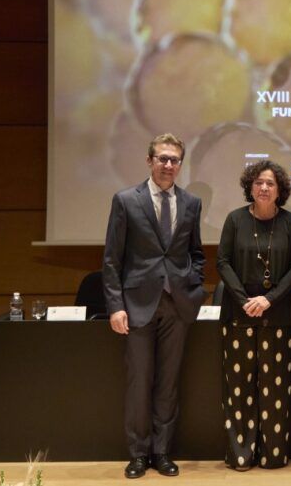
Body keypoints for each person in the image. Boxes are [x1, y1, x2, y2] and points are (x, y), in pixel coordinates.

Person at [102, 133, 206, 479]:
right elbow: (112, 260)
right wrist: (115, 305)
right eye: (162, 158)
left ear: (180, 164)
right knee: (139, 382)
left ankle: (162, 452)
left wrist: (193, 287)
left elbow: (196, 254)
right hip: (136, 306)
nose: (168, 165)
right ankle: (138, 454)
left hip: (177, 306)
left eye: (174, 159)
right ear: (149, 161)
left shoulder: (191, 203)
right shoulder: (126, 200)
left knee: (168, 383)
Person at [215, 160, 291, 470]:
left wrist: (267, 300)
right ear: (250, 188)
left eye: (270, 183)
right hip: (238, 314)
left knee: (275, 387)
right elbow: (223, 261)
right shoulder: (235, 219)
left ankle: (273, 455)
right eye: (258, 183)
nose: (264, 188)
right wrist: (243, 300)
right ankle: (241, 454)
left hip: (277, 313)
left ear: (280, 190)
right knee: (239, 387)